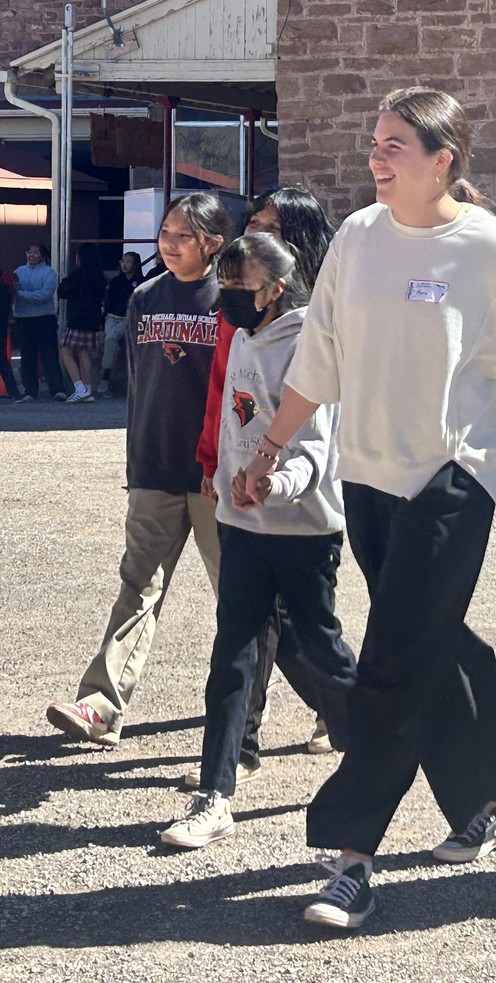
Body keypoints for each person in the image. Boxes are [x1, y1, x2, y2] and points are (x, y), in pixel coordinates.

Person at [241, 86, 496, 930]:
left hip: (451, 478)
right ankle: (488, 799)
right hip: (368, 477)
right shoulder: (358, 237)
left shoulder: (490, 249)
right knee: (434, 635)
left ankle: (351, 855)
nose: (376, 157)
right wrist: (270, 448)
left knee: (392, 659)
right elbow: (319, 356)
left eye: (394, 145)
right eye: (375, 142)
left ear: (444, 160)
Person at [160, 233, 356, 849]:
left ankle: (379, 750)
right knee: (233, 656)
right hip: (242, 527)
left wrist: (273, 485)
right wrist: (222, 477)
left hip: (304, 530)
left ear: (275, 288)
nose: (228, 297)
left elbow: (316, 446)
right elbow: (236, 418)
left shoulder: (309, 346)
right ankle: (214, 794)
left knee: (322, 649)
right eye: (224, 285)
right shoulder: (244, 337)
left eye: (239, 286)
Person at [46, 193, 231, 746]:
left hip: (215, 473)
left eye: (183, 235)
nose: (169, 244)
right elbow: (138, 384)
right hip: (153, 465)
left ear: (213, 243)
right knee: (137, 586)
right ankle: (100, 706)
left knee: (244, 598)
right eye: (165, 232)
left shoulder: (232, 298)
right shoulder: (145, 297)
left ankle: (325, 702)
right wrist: (135, 455)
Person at [196, 187, 338, 760]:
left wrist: (276, 477)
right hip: (245, 499)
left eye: (271, 228)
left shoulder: (319, 321)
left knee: (310, 633)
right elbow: (227, 398)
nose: (255, 236)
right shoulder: (242, 315)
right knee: (245, 633)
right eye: (252, 224)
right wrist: (215, 463)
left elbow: (315, 429)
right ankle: (235, 756)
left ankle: (354, 720)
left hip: (302, 503)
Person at [12, 243, 65, 403]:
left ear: (43, 256)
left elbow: (45, 294)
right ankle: (30, 391)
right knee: (27, 356)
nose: (31, 255)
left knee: (49, 355)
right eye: (29, 251)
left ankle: (57, 390)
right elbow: (11, 290)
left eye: (36, 252)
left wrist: (20, 294)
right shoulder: (18, 271)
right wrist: (17, 293)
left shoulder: (49, 272)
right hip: (23, 319)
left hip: (44, 318)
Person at [58, 242, 108, 404]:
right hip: (92, 319)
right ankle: (88, 390)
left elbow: (63, 293)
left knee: (65, 350)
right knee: (83, 352)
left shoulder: (77, 275)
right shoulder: (99, 276)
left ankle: (79, 388)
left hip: (76, 318)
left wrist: (64, 280)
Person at [97, 251, 144, 398]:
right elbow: (108, 302)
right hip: (111, 316)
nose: (124, 265)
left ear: (135, 265)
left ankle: (105, 377)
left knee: (110, 339)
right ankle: (109, 379)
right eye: (123, 261)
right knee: (110, 342)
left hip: (128, 318)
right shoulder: (116, 281)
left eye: (128, 262)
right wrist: (102, 321)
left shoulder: (140, 283)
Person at [0, 269, 19, 400]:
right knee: (2, 361)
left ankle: (13, 391)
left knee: (2, 361)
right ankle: (13, 391)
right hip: (1, 328)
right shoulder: (4, 289)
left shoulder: (3, 290)